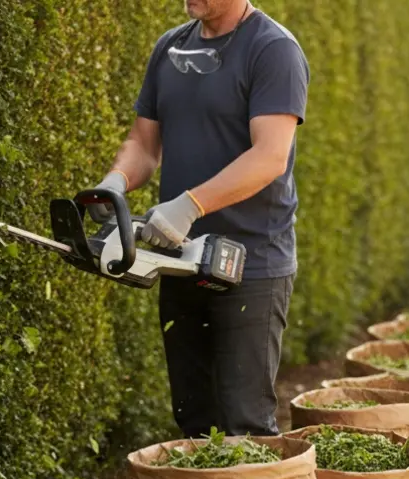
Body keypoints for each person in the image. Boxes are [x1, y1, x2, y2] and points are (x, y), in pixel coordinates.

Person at [87, 0, 309, 439]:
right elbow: (144, 144)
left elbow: (269, 156)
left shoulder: (273, 49)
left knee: (244, 427)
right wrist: (116, 181)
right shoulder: (170, 47)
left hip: (251, 264)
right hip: (181, 257)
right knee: (194, 422)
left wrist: (189, 206)